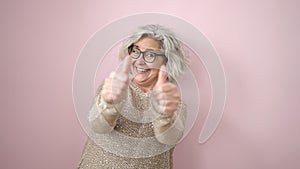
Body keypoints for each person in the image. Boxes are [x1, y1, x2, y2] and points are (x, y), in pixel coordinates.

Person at [77, 24, 189, 169]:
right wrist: (109, 104)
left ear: (166, 61)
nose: (140, 61)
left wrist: (165, 115)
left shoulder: (173, 103)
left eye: (150, 54)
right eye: (136, 51)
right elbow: (98, 126)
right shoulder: (113, 88)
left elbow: (169, 138)